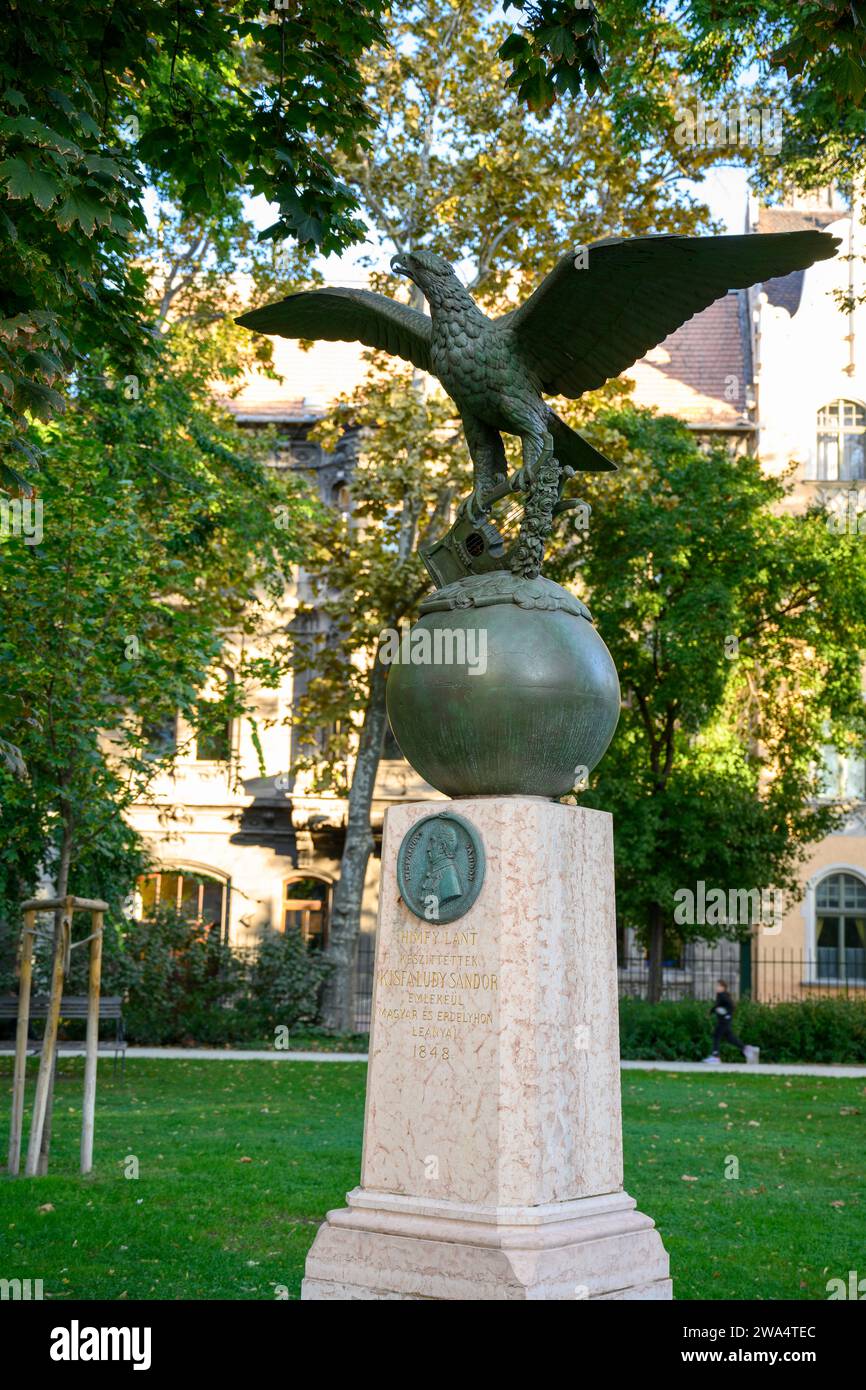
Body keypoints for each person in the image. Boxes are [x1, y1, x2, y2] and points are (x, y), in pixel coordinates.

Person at [704, 979, 759, 1064]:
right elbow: (717, 1006)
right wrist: (710, 1012)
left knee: (716, 1035)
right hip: (724, 1021)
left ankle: (715, 1056)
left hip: (724, 1021)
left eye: (718, 986)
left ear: (723, 987)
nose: (716, 987)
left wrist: (727, 1014)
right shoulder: (720, 995)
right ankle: (746, 1049)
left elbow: (732, 1006)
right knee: (730, 1038)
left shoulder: (723, 996)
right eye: (716, 985)